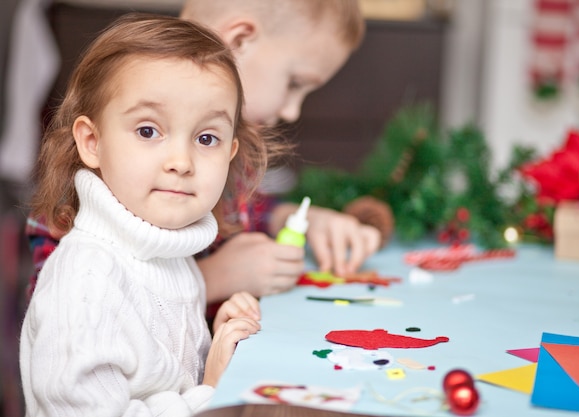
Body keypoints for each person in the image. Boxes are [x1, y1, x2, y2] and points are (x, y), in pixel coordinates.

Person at [26, 0, 382, 306]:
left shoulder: (219, 146)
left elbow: (236, 211)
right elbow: (61, 309)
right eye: (294, 83)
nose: (292, 112)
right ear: (240, 40)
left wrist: (291, 218)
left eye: (208, 140)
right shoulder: (95, 172)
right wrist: (212, 279)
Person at [21, 14, 272, 416]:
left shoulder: (169, 256)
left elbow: (163, 381)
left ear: (230, 153)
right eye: (148, 131)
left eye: (206, 138)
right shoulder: (87, 281)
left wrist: (213, 344)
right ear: (92, 142)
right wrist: (213, 391)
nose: (181, 161)